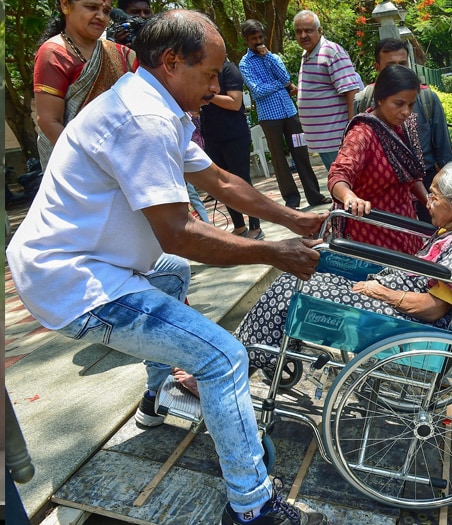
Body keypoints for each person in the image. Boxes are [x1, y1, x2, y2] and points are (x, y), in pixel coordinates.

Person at [7, 11, 328, 525]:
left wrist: (296, 220)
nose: (217, 86)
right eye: (210, 75)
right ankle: (252, 508)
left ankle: (157, 398)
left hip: (84, 260)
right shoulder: (144, 119)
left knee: (171, 271)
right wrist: (274, 252)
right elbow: (179, 231)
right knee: (222, 359)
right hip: (73, 280)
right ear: (172, 61)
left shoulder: (156, 104)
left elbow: (221, 180)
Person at [238, 161, 452, 372]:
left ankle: (237, 366)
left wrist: (380, 292)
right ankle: (261, 353)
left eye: (434, 197)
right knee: (300, 276)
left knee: (288, 290)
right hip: (386, 296)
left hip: (399, 315)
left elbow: (433, 309)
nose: (428, 203)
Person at [328, 64, 428, 255]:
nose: (406, 112)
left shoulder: (404, 128)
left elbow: (412, 175)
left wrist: (429, 202)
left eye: (411, 104)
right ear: (380, 99)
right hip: (372, 233)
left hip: (405, 228)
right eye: (399, 104)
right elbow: (338, 174)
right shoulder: (362, 134)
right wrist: (349, 197)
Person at [354, 38, 452, 223]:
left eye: (403, 64)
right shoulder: (364, 101)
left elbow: (444, 153)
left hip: (426, 184)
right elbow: (350, 163)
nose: (405, 112)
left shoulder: (426, 99)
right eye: (390, 65)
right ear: (377, 67)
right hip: (387, 193)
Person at [238, 19, 331, 209]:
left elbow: (286, 77)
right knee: (279, 159)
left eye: (260, 37)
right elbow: (258, 91)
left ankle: (314, 196)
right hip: (269, 118)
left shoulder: (273, 57)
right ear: (246, 40)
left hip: (289, 113)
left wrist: (269, 59)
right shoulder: (245, 64)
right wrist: (282, 86)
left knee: (301, 152)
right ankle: (291, 200)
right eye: (254, 38)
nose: (258, 41)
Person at [34, 0, 137, 169]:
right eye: (91, 8)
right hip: (76, 166)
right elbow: (49, 120)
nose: (101, 17)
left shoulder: (121, 54)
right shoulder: (54, 53)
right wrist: (88, 165)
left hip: (120, 160)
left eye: (106, 11)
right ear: (66, 5)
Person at [201, 59, 264, 239]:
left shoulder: (230, 70)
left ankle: (255, 225)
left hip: (234, 136)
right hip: (212, 136)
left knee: (242, 181)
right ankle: (239, 226)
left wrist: (207, 96)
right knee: (222, 183)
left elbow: (235, 102)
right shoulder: (202, 72)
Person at [293, 10, 361, 171]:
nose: (303, 35)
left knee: (346, 186)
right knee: (338, 185)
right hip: (323, 141)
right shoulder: (308, 53)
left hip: (337, 139)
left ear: (320, 30)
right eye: (298, 31)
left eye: (308, 30)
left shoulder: (331, 52)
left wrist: (352, 132)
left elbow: (352, 92)